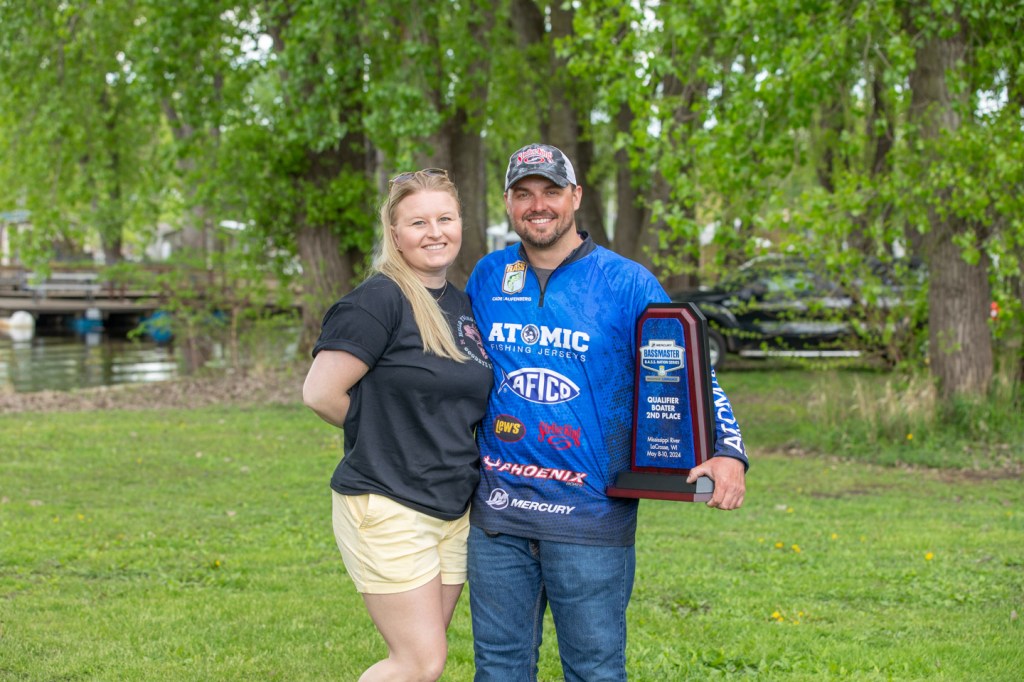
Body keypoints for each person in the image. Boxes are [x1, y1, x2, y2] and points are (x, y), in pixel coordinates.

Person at [465, 144, 748, 681]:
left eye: (551, 191)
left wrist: (728, 449)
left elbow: (688, 371)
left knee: (595, 671)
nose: (537, 205)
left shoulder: (626, 282)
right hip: (499, 516)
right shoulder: (488, 276)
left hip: (590, 517)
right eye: (523, 194)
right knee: (498, 669)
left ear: (575, 196)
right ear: (507, 202)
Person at [303, 168, 493, 682]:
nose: (435, 232)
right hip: (389, 502)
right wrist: (387, 436)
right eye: (418, 222)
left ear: (461, 223)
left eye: (445, 219)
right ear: (394, 232)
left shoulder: (461, 305)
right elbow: (320, 393)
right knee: (418, 661)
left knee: (426, 661)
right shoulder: (377, 300)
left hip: (451, 506)